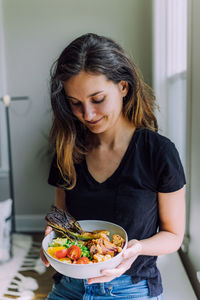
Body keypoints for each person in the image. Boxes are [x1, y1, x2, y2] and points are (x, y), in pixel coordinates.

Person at [41, 33, 186, 299]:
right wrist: (52, 236)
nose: (88, 115)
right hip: (68, 286)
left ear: (123, 87)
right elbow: (61, 216)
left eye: (97, 99)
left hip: (131, 289)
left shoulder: (159, 152)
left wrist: (137, 248)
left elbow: (174, 235)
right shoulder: (68, 150)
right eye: (75, 103)